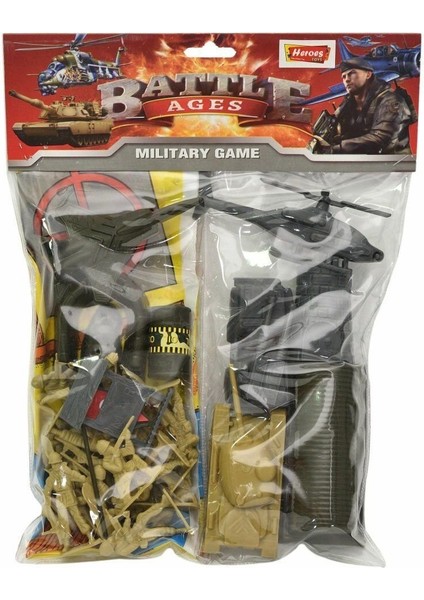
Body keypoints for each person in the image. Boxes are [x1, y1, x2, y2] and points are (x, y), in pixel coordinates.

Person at [311, 57, 414, 154]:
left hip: (391, 162)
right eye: (344, 76)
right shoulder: (348, 103)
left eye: (351, 73)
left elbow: (380, 139)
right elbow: (341, 127)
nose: (347, 79)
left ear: (368, 74)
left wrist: (337, 148)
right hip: (362, 161)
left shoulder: (391, 101)